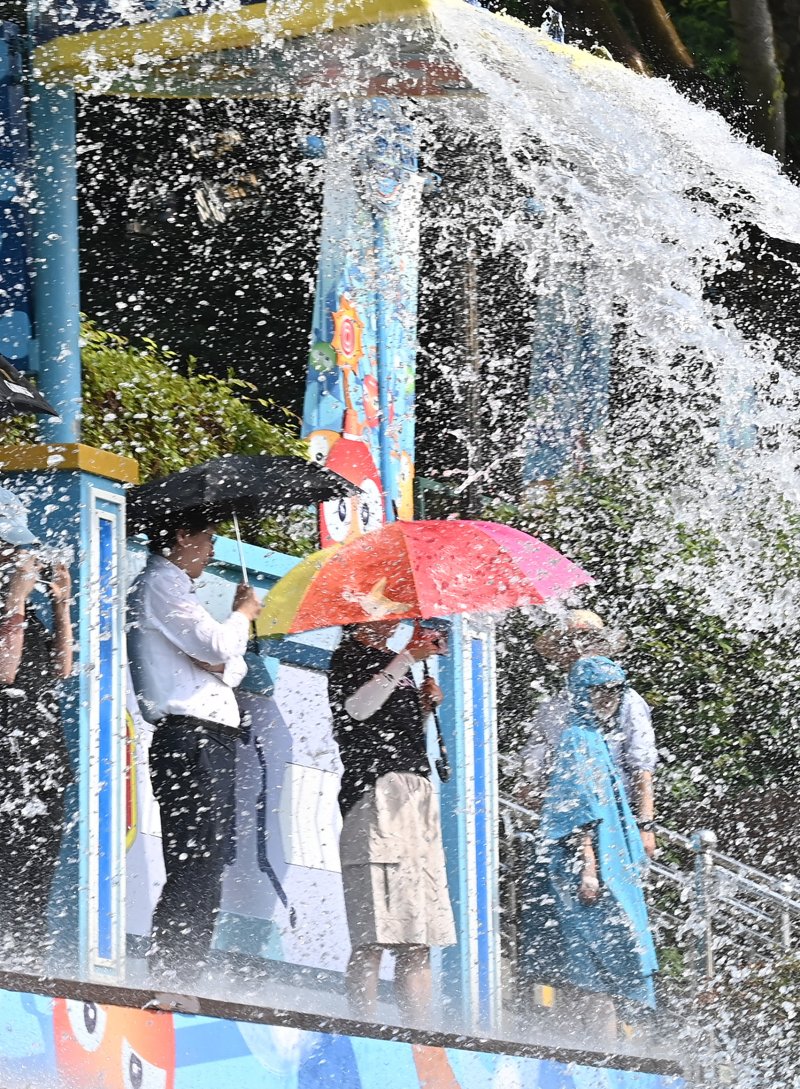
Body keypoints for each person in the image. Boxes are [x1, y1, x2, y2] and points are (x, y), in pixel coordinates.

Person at [127, 513, 262, 985]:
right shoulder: (163, 584)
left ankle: (183, 973)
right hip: (192, 736)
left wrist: (221, 653)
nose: (211, 549)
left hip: (209, 738)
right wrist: (242, 615)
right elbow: (222, 646)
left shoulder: (175, 589)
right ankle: (172, 976)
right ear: (182, 535)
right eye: (208, 537)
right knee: (195, 859)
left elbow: (229, 665)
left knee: (207, 860)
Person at [328, 620, 456, 1025]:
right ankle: (361, 1030)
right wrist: (406, 659)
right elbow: (357, 711)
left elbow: (393, 730)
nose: (396, 619)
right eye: (386, 609)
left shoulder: (396, 662)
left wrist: (423, 708)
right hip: (375, 793)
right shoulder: (347, 656)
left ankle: (420, 1037)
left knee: (418, 935)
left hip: (416, 792)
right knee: (374, 933)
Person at [538, 656, 658, 1035]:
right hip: (588, 863)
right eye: (600, 690)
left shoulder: (591, 734)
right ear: (582, 692)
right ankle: (590, 1057)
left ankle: (594, 1056)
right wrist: (588, 868)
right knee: (590, 963)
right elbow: (578, 809)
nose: (609, 699)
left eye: (614, 691)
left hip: (607, 856)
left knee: (595, 966)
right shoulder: (578, 738)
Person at [0, 486, 73, 970]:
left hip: (44, 749)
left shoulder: (25, 609)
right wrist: (16, 601)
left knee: (38, 854)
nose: (22, 557)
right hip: (9, 746)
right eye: (12, 548)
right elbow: (5, 673)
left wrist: (62, 605)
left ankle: (25, 953)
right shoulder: (10, 606)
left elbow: (64, 669)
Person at [519, 610, 657, 857]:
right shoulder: (552, 707)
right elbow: (533, 766)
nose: (579, 649)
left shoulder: (626, 699)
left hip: (614, 815)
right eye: (569, 643)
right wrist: (535, 793)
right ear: (562, 654)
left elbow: (642, 765)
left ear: (602, 648)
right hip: (565, 820)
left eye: (589, 641)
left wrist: (646, 825)